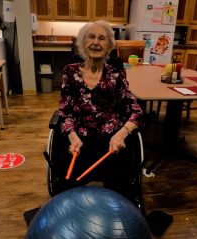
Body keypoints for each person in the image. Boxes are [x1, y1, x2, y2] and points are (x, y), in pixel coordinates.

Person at [55, 20, 144, 204]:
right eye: (91, 37)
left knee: (123, 191)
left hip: (111, 143)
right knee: (64, 186)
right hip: (80, 141)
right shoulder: (70, 72)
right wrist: (72, 137)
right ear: (82, 43)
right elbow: (64, 111)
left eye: (102, 38)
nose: (96, 42)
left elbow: (136, 111)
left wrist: (121, 135)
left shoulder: (116, 74)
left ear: (109, 45)